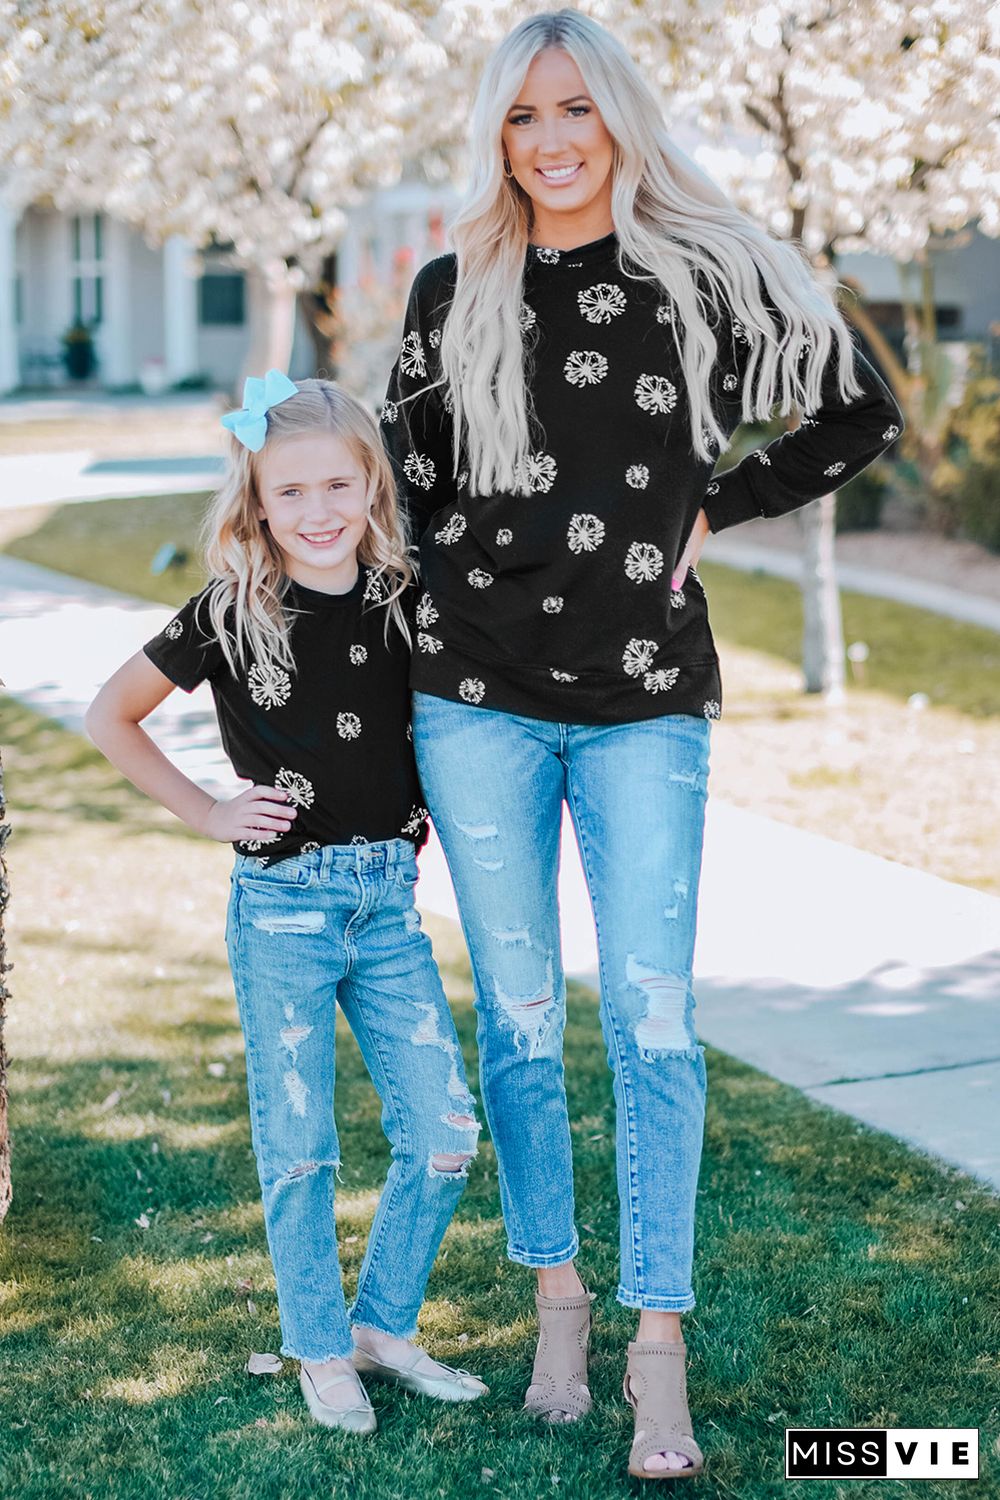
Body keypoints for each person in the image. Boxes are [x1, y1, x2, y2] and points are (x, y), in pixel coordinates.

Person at [380, 8, 904, 1480]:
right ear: (498, 137)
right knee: (525, 1024)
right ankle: (559, 1306)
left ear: (619, 118)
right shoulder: (449, 289)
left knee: (657, 1024)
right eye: (522, 119)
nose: (549, 144)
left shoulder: (699, 274)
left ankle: (655, 1344)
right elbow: (401, 496)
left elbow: (858, 404)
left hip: (644, 697)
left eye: (574, 113)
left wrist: (719, 511)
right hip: (471, 700)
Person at [85, 373, 487, 1435]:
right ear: (257, 500)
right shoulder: (230, 609)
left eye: (337, 486)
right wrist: (207, 811)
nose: (317, 512)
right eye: (290, 492)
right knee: (301, 1147)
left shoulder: (407, 595)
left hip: (388, 908)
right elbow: (109, 715)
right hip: (283, 912)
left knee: (444, 1134)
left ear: (372, 486)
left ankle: (380, 1326)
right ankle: (318, 1348)